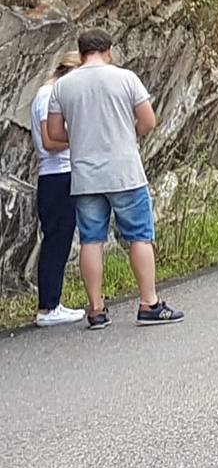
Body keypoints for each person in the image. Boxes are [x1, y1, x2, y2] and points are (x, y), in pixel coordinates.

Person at [46, 28, 184, 329]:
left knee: (91, 240)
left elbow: (53, 134)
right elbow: (148, 121)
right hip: (125, 173)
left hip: (85, 176)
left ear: (81, 53)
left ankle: (96, 310)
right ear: (108, 51)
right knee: (139, 236)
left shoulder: (63, 87)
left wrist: (83, 134)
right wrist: (123, 130)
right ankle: (149, 303)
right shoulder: (125, 78)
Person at [30, 51, 85, 327]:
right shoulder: (47, 96)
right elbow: (50, 141)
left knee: (60, 240)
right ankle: (48, 307)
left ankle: (53, 303)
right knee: (56, 240)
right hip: (56, 175)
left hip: (62, 175)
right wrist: (81, 137)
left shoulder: (52, 95)